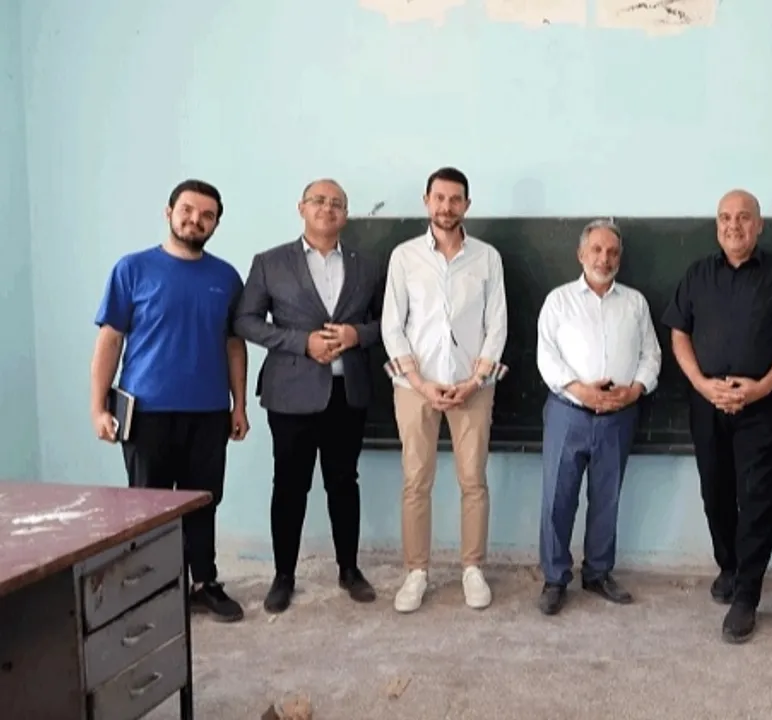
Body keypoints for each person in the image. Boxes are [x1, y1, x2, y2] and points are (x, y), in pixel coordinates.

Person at [662, 189, 772, 643]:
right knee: (715, 492)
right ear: (717, 224)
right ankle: (728, 567)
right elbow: (679, 333)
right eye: (725, 218)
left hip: (762, 407)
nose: (734, 225)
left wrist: (761, 387)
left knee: (756, 500)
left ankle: (747, 595)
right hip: (707, 403)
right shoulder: (697, 274)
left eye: (744, 217)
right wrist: (701, 383)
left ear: (759, 224)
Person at [89, 178, 250, 623]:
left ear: (215, 224)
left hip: (209, 412)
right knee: (148, 508)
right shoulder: (132, 269)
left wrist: (238, 405)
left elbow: (234, 345)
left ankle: (204, 583)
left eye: (207, 215)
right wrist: (98, 408)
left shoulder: (226, 278)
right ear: (169, 212)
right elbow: (110, 340)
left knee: (204, 501)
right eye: (188, 211)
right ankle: (153, 590)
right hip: (146, 413)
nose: (196, 220)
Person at [234, 178, 383, 613]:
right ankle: (283, 576)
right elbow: (245, 321)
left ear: (346, 216)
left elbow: (387, 324)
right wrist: (302, 343)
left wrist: (357, 335)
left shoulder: (368, 265)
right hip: (291, 394)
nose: (327, 208)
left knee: (344, 483)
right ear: (301, 208)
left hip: (347, 392)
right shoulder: (270, 262)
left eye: (337, 203)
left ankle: (349, 569)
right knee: (289, 485)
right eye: (318, 200)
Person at [382, 166, 508, 613]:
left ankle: (472, 568)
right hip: (415, 386)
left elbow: (497, 325)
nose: (447, 207)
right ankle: (416, 572)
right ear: (426, 201)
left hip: (472, 387)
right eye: (439, 198)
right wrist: (420, 382)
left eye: (456, 199)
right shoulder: (405, 256)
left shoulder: (487, 258)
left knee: (473, 480)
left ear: (467, 205)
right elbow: (392, 325)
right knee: (416, 481)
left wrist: (474, 381)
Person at [534, 219, 661, 615]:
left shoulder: (635, 303)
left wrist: (634, 390)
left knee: (607, 498)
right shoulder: (559, 301)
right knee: (558, 497)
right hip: (568, 412)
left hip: (619, 414)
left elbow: (651, 354)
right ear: (581, 254)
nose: (604, 259)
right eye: (597, 250)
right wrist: (580, 390)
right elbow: (546, 356)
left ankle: (598, 573)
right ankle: (555, 578)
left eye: (612, 252)